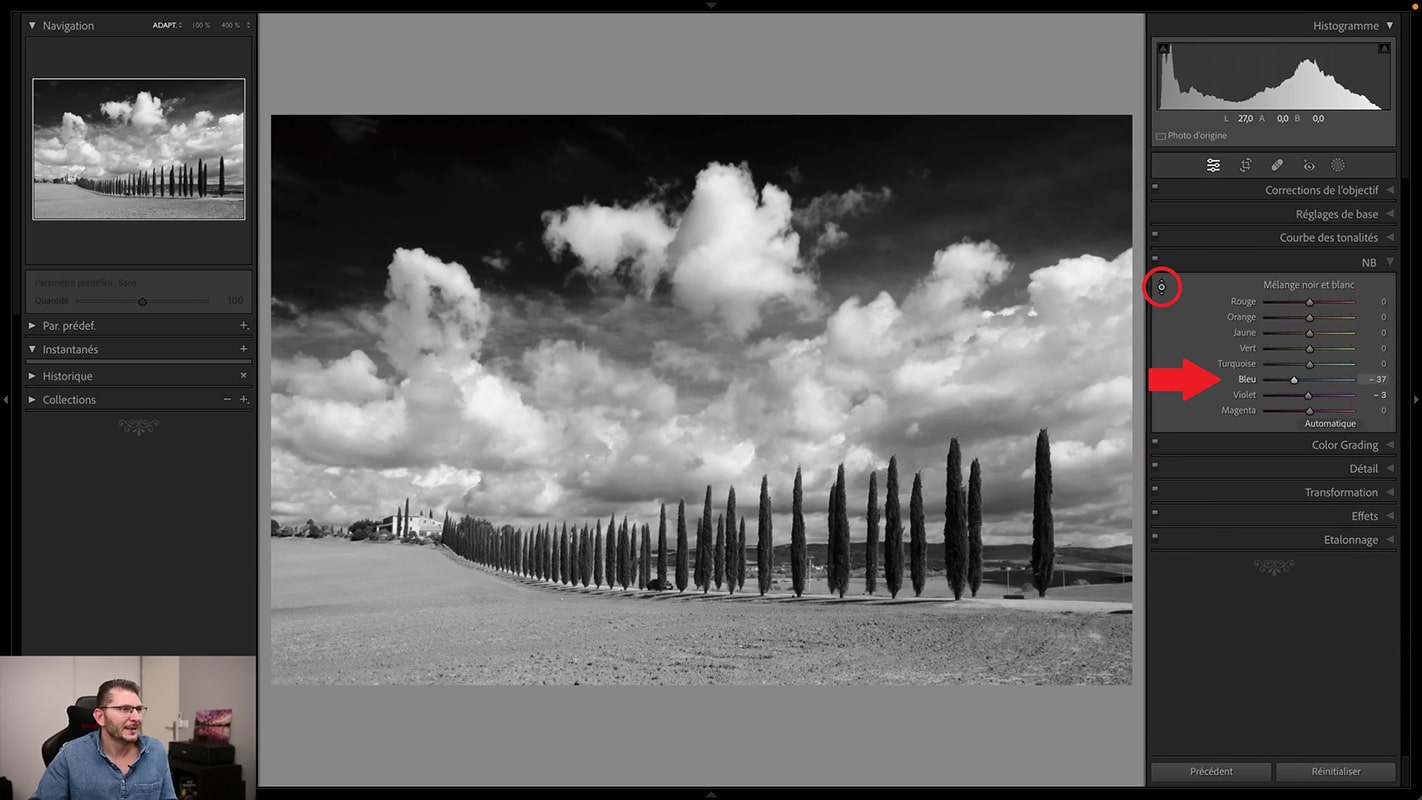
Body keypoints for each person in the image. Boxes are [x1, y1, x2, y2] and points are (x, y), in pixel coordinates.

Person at [31, 679, 177, 800]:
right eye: (124, 709)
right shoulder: (71, 755)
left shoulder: (156, 751)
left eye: (138, 709)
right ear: (100, 717)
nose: (137, 718)